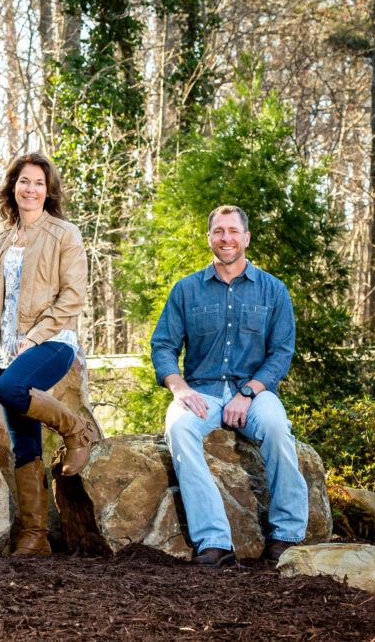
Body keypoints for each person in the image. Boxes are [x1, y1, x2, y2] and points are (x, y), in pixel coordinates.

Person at [150, 205, 308, 567]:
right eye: (218, 231)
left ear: (246, 238)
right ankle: (216, 542)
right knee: (178, 427)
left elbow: (281, 354)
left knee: (276, 427)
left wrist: (249, 392)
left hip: (256, 392)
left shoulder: (273, 291)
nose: (226, 238)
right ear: (209, 238)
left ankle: (286, 535)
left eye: (233, 231)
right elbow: (163, 346)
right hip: (201, 391)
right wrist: (179, 388)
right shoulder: (186, 290)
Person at [0, 152, 98, 556]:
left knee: (12, 390)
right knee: (22, 441)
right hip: (6, 349)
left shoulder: (65, 234)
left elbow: (73, 297)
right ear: (13, 187)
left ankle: (75, 429)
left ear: (49, 193)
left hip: (54, 341)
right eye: (24, 181)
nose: (31, 189)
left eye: (39, 184)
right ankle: (36, 537)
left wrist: (35, 335)